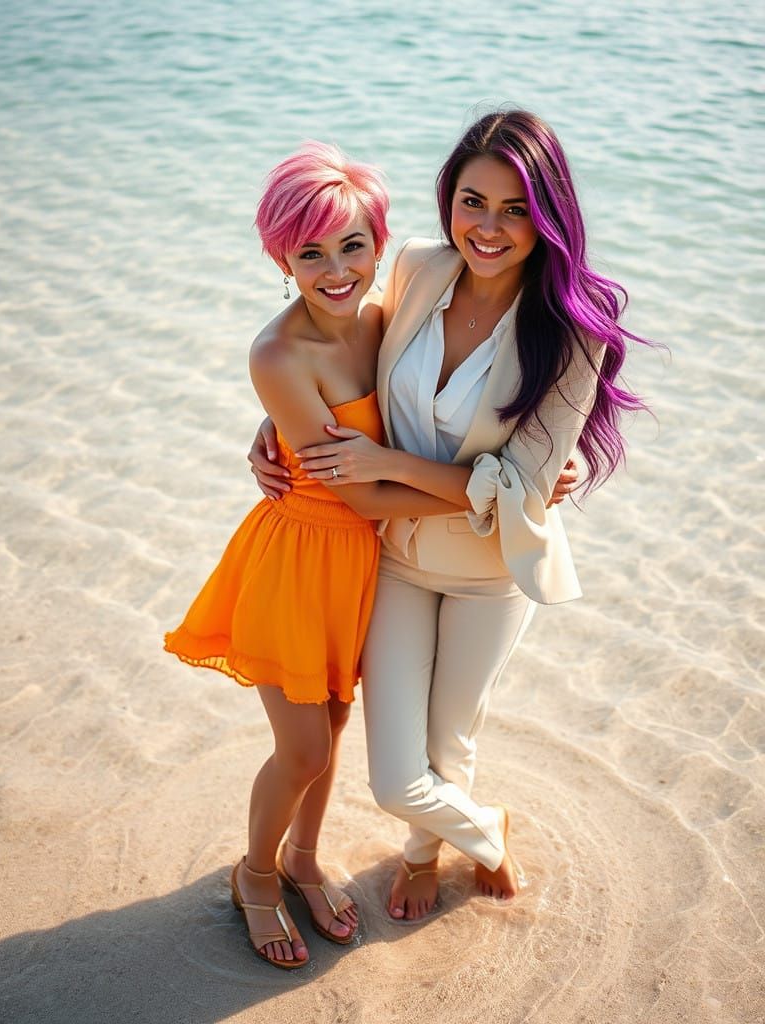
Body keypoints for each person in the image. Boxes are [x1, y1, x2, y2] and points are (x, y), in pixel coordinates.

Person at [165, 140, 573, 970]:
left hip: (365, 559)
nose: (336, 267)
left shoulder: (387, 312)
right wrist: (502, 489)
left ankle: (306, 860)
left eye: (352, 245)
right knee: (307, 748)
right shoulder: (284, 350)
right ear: (279, 255)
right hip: (308, 553)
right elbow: (362, 487)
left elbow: (382, 409)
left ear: (379, 243)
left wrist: (515, 478)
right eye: (309, 252)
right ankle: (255, 877)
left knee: (340, 719)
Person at [249, 110, 648, 923]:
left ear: (549, 215)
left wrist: (401, 465)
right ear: (448, 201)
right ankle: (488, 836)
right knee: (395, 775)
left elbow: (525, 490)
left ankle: (426, 853)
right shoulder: (417, 270)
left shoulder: (574, 330)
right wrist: (277, 426)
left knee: (449, 744)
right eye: (473, 201)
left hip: (490, 572)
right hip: (393, 558)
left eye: (514, 208)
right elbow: (346, 360)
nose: (488, 227)